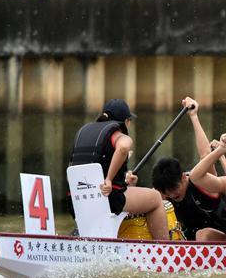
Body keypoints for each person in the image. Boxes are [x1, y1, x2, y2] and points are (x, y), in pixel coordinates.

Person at [69, 99, 168, 240]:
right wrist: (109, 179)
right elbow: (123, 147)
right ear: (126, 121)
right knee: (156, 199)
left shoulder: (83, 131)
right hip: (106, 199)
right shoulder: (117, 133)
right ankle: (165, 250)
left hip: (77, 202)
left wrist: (122, 180)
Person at [151, 97, 226, 241]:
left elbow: (206, 155)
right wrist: (130, 184)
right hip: (191, 242)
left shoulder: (202, 181)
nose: (171, 194)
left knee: (203, 234)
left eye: (173, 188)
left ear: (183, 177)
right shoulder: (165, 191)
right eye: (166, 192)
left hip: (224, 236)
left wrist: (193, 116)